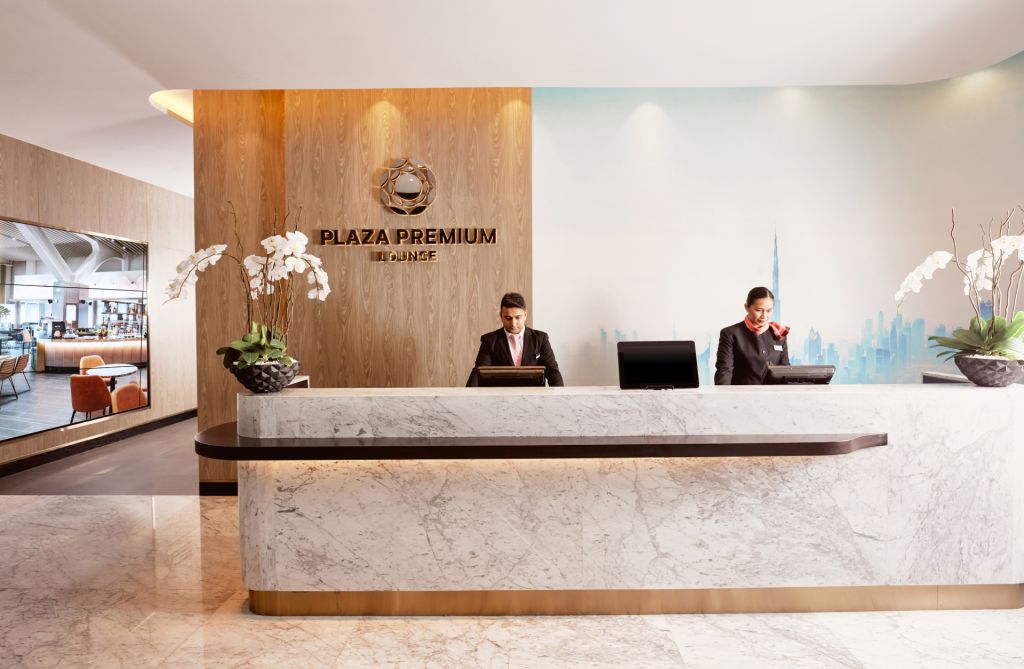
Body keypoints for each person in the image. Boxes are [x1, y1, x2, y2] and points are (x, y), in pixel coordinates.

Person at [466, 292, 564, 387]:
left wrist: (561, 395)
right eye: (508, 318)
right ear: (501, 316)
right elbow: (479, 372)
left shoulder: (541, 339)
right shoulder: (489, 340)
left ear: (525, 314)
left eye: (518, 317)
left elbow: (553, 371)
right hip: (500, 396)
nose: (513, 324)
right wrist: (468, 395)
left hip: (533, 396)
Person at [714, 286, 790, 385]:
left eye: (768, 310)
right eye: (758, 310)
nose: (764, 316)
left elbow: (785, 370)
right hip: (742, 393)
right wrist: (723, 393)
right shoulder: (730, 334)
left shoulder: (779, 333)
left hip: (774, 393)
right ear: (747, 307)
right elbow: (724, 370)